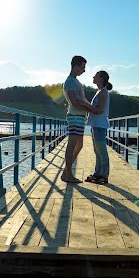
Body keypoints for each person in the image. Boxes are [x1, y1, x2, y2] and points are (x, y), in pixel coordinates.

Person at [62, 55, 98, 183]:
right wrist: (91, 109)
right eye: (83, 67)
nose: (84, 70)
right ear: (76, 66)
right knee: (72, 145)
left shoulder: (75, 81)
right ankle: (68, 175)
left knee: (79, 144)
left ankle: (66, 172)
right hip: (75, 116)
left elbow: (81, 100)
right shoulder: (70, 82)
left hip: (79, 117)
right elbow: (75, 101)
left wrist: (91, 108)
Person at [86, 70, 113, 184]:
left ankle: (104, 175)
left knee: (102, 151)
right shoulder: (100, 91)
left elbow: (100, 110)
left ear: (101, 78)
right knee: (97, 151)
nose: (93, 77)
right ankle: (98, 173)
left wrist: (86, 107)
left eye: (96, 76)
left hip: (100, 125)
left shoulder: (103, 92)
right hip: (95, 125)